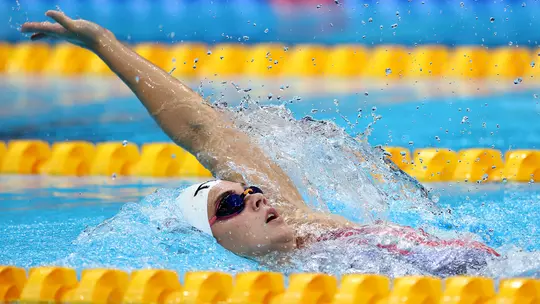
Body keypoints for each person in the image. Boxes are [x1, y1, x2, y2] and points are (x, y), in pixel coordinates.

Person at [21, 11, 500, 274]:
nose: (252, 195)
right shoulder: (280, 273)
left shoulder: (297, 220)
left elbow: (201, 130)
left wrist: (104, 42)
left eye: (248, 191)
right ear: (216, 237)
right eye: (230, 200)